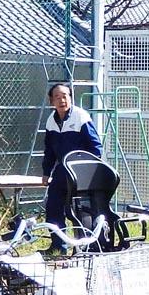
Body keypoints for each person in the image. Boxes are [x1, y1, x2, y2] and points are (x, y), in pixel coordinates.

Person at [41, 83, 103, 253]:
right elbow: (49, 150)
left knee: (77, 210)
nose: (62, 100)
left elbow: (96, 148)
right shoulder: (51, 121)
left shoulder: (80, 117)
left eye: (65, 96)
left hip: (80, 173)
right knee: (53, 207)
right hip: (62, 172)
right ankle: (58, 246)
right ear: (51, 100)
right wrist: (46, 172)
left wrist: (85, 170)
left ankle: (84, 247)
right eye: (58, 97)